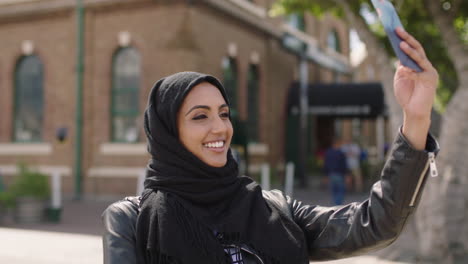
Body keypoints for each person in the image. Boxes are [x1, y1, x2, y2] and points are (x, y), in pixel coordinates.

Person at [102, 28, 439, 264]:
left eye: (224, 113)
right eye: (199, 117)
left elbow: (377, 222)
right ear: (168, 133)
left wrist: (416, 117)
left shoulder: (272, 208)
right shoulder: (131, 222)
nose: (220, 127)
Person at [324, 138, 348, 205]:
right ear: (338, 144)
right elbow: (344, 165)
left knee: (333, 192)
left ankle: (334, 205)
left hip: (331, 174)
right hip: (339, 174)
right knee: (340, 192)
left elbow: (326, 164)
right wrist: (346, 175)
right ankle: (337, 206)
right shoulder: (341, 153)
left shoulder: (328, 152)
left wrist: (326, 175)